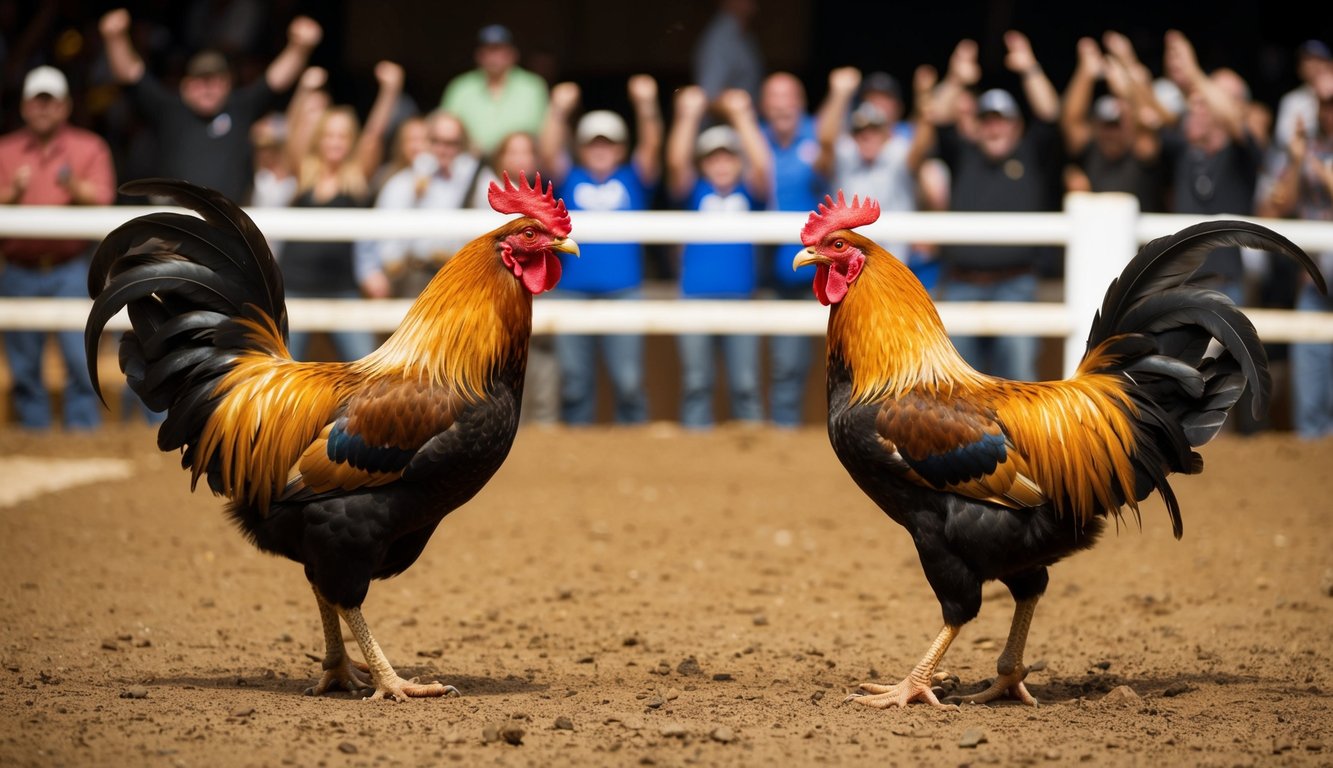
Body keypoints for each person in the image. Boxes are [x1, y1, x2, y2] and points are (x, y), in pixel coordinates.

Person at [917, 32, 1063, 382]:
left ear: (1016, 126)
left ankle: (1016, 442)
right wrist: (955, 78)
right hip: (961, 285)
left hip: (1016, 285)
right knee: (959, 386)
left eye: (1003, 119)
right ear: (978, 127)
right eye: (988, 119)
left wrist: (1029, 69)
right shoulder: (962, 154)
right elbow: (937, 115)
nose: (995, 126)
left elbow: (1050, 114)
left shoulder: (1031, 154)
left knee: (1017, 382)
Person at [98, 7, 322, 204]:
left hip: (229, 225)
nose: (207, 88)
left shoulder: (241, 107)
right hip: (174, 225)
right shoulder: (169, 108)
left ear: (227, 85)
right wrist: (114, 37)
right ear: (185, 86)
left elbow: (275, 80)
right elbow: (131, 75)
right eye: (200, 81)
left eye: (215, 81)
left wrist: (299, 47)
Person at [539, 75, 662, 425]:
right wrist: (558, 110)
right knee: (575, 384)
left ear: (621, 149)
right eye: (593, 143)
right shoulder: (568, 180)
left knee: (629, 382)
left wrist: (646, 105)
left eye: (608, 143)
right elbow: (548, 151)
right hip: (571, 293)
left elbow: (652, 147)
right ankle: (579, 461)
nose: (600, 149)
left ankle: (634, 450)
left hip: (624, 293)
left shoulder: (633, 179)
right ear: (580, 148)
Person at [0, 66, 115, 430]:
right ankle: (35, 436)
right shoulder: (5, 151)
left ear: (65, 106)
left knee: (79, 361)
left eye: (50, 102)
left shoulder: (89, 147)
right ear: (24, 107)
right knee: (23, 365)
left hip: (69, 268)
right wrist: (12, 195)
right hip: (18, 268)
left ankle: (82, 437)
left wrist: (74, 186)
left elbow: (104, 198)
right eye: (38, 101)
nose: (44, 109)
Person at [279, 62, 402, 362]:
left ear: (351, 141)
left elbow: (373, 135)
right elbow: (292, 134)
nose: (335, 142)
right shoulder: (304, 173)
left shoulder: (356, 177)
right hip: (295, 287)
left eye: (343, 136)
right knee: (285, 372)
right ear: (319, 139)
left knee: (365, 367)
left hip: (341, 289)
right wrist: (304, 90)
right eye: (329, 135)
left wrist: (390, 90)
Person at [666, 85, 771, 429]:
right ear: (703, 163)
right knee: (696, 383)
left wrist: (742, 116)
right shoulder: (693, 191)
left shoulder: (749, 193)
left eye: (729, 156)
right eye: (713, 157)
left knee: (746, 384)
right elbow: (676, 162)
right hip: (694, 300)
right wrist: (688, 115)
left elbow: (763, 167)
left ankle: (756, 457)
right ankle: (696, 463)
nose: (722, 163)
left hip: (742, 301)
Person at [1159, 29, 1264, 307]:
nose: (1201, 103)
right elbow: (1151, 116)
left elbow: (1232, 120)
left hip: (1224, 286)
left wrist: (1193, 71)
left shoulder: (1243, 152)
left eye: (1213, 97)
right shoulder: (1186, 150)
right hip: (1179, 285)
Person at [1256, 88, 1333, 440]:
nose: (1328, 110)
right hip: (1315, 285)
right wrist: (1299, 159)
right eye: (1325, 104)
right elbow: (1276, 205)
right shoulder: (1306, 149)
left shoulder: (1315, 154)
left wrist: (1312, 164)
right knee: (1310, 397)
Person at [758, 71, 832, 427]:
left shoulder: (818, 134)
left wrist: (839, 94)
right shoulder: (756, 139)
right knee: (784, 368)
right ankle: (785, 447)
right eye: (774, 98)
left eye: (788, 97)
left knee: (847, 368)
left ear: (801, 104)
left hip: (824, 274)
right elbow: (757, 182)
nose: (781, 105)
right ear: (764, 106)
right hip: (778, 275)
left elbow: (828, 156)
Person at [471, 130, 559, 425]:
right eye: (513, 151)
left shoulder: (541, 197)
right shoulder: (479, 193)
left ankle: (545, 425)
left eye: (526, 152)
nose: (520, 158)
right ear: (500, 156)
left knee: (542, 356)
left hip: (528, 293)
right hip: (488, 295)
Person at [370, 110, 482, 299]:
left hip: (461, 277)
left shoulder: (474, 179)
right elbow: (378, 232)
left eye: (451, 143)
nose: (443, 149)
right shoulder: (403, 182)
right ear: (426, 141)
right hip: (415, 276)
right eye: (436, 141)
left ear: (462, 145)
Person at [1061, 33, 1165, 212]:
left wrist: (1127, 65)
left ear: (1129, 126)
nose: (1111, 134)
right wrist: (1085, 73)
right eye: (1106, 125)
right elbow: (1071, 120)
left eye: (1116, 125)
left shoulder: (1141, 151)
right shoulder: (1091, 150)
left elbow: (1147, 116)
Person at [439, 24, 549, 157]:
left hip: (521, 165)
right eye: (489, 50)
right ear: (479, 55)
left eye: (499, 50)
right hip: (469, 164)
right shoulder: (460, 87)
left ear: (512, 54)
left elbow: (544, 138)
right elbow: (443, 130)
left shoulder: (533, 87)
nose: (494, 57)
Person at [692, 0, 764, 111]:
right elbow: (710, 93)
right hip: (727, 124)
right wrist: (738, 109)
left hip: (751, 118)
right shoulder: (720, 39)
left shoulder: (745, 35)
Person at [1274, 40, 1333, 153]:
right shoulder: (1292, 100)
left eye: (1318, 60)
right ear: (1299, 68)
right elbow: (1283, 139)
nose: (1312, 65)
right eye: (1307, 61)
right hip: (1303, 163)